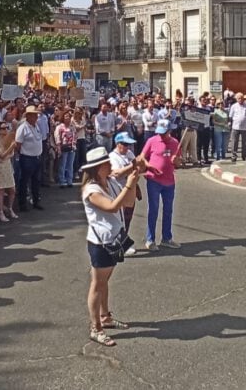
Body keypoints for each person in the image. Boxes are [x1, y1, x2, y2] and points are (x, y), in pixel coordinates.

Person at [80, 146, 140, 347]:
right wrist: (127, 185)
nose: (110, 165)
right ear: (98, 168)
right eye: (106, 163)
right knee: (97, 284)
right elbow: (112, 207)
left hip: (115, 237)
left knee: (105, 281)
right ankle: (95, 328)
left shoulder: (110, 182)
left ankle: (105, 317)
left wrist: (132, 183)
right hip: (101, 242)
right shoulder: (91, 189)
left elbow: (128, 203)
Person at [140, 120, 180, 251]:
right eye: (160, 133)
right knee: (154, 209)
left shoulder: (175, 143)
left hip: (169, 182)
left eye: (164, 133)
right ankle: (150, 239)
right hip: (154, 180)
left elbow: (179, 163)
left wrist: (177, 161)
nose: (161, 136)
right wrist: (149, 166)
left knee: (168, 210)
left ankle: (166, 238)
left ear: (170, 131)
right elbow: (141, 158)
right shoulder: (152, 141)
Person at [108, 132, 146, 254]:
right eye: (124, 144)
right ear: (118, 144)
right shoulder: (112, 157)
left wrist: (139, 165)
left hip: (131, 189)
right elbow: (117, 173)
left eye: (128, 144)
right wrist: (133, 165)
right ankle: (117, 245)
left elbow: (137, 167)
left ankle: (121, 244)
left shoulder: (129, 153)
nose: (127, 147)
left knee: (127, 219)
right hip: (118, 190)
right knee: (120, 219)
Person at [16, 105, 44, 211]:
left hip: (37, 157)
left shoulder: (36, 126)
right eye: (34, 115)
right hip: (27, 158)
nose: (36, 117)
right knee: (24, 181)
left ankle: (36, 201)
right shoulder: (23, 128)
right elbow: (18, 143)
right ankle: (22, 204)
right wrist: (22, 154)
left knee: (36, 181)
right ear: (28, 116)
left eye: (36, 115)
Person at [0, 121, 18, 222]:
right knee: (1, 190)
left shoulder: (8, 139)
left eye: (6, 127)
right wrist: (11, 147)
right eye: (3, 128)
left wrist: (11, 149)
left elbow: (9, 155)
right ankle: (0, 212)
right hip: (0, 166)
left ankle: (10, 208)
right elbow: (1, 155)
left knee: (12, 189)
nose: (6, 129)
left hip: (8, 165)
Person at [228, 93, 246, 162]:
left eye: (242, 98)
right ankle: (234, 156)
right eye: (239, 98)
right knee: (234, 142)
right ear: (236, 99)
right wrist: (230, 124)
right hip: (235, 127)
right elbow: (230, 116)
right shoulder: (233, 106)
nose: (240, 99)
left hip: (245, 127)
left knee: (245, 143)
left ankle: (244, 156)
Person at [54, 111, 76, 188]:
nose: (68, 118)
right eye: (66, 116)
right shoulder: (59, 127)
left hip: (71, 147)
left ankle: (69, 180)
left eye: (69, 117)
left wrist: (74, 144)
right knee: (62, 165)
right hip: (63, 147)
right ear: (63, 117)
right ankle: (62, 181)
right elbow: (57, 137)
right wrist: (58, 147)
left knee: (70, 165)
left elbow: (74, 136)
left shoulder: (72, 126)